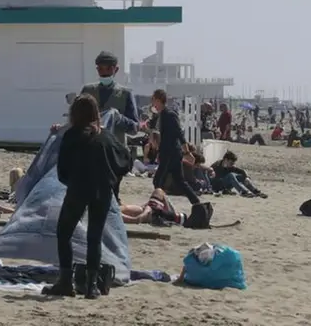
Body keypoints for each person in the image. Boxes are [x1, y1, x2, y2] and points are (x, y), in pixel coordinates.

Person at [42, 94, 131, 299]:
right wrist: (112, 180)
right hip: (102, 191)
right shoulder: (106, 136)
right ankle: (91, 286)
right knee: (94, 236)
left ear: (75, 113)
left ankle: (65, 281)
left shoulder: (72, 135)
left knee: (64, 233)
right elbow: (125, 160)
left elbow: (62, 170)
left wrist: (72, 181)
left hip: (78, 189)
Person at [74, 51, 141, 144]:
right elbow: (76, 120)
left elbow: (135, 128)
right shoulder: (88, 91)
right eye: (101, 69)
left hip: (115, 151)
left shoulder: (125, 94)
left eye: (109, 68)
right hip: (91, 149)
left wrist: (119, 119)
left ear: (116, 69)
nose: (104, 72)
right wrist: (60, 127)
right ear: (97, 69)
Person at [149, 89, 200, 205]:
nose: (152, 103)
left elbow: (179, 134)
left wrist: (187, 152)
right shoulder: (159, 116)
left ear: (158, 100)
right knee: (179, 181)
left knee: (158, 181)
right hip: (166, 152)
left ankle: (160, 205)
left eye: (153, 100)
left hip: (171, 153)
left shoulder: (170, 115)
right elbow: (154, 131)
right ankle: (196, 202)